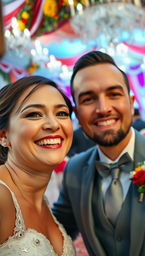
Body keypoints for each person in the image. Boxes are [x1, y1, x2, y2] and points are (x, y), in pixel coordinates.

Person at [52, 50, 145, 256]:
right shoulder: (74, 171)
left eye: (113, 94)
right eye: (88, 99)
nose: (103, 108)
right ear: (77, 114)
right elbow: (51, 232)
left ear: (130, 103)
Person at [0, 76, 76, 255]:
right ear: (3, 135)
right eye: (33, 114)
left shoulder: (43, 201)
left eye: (61, 113)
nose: (53, 124)